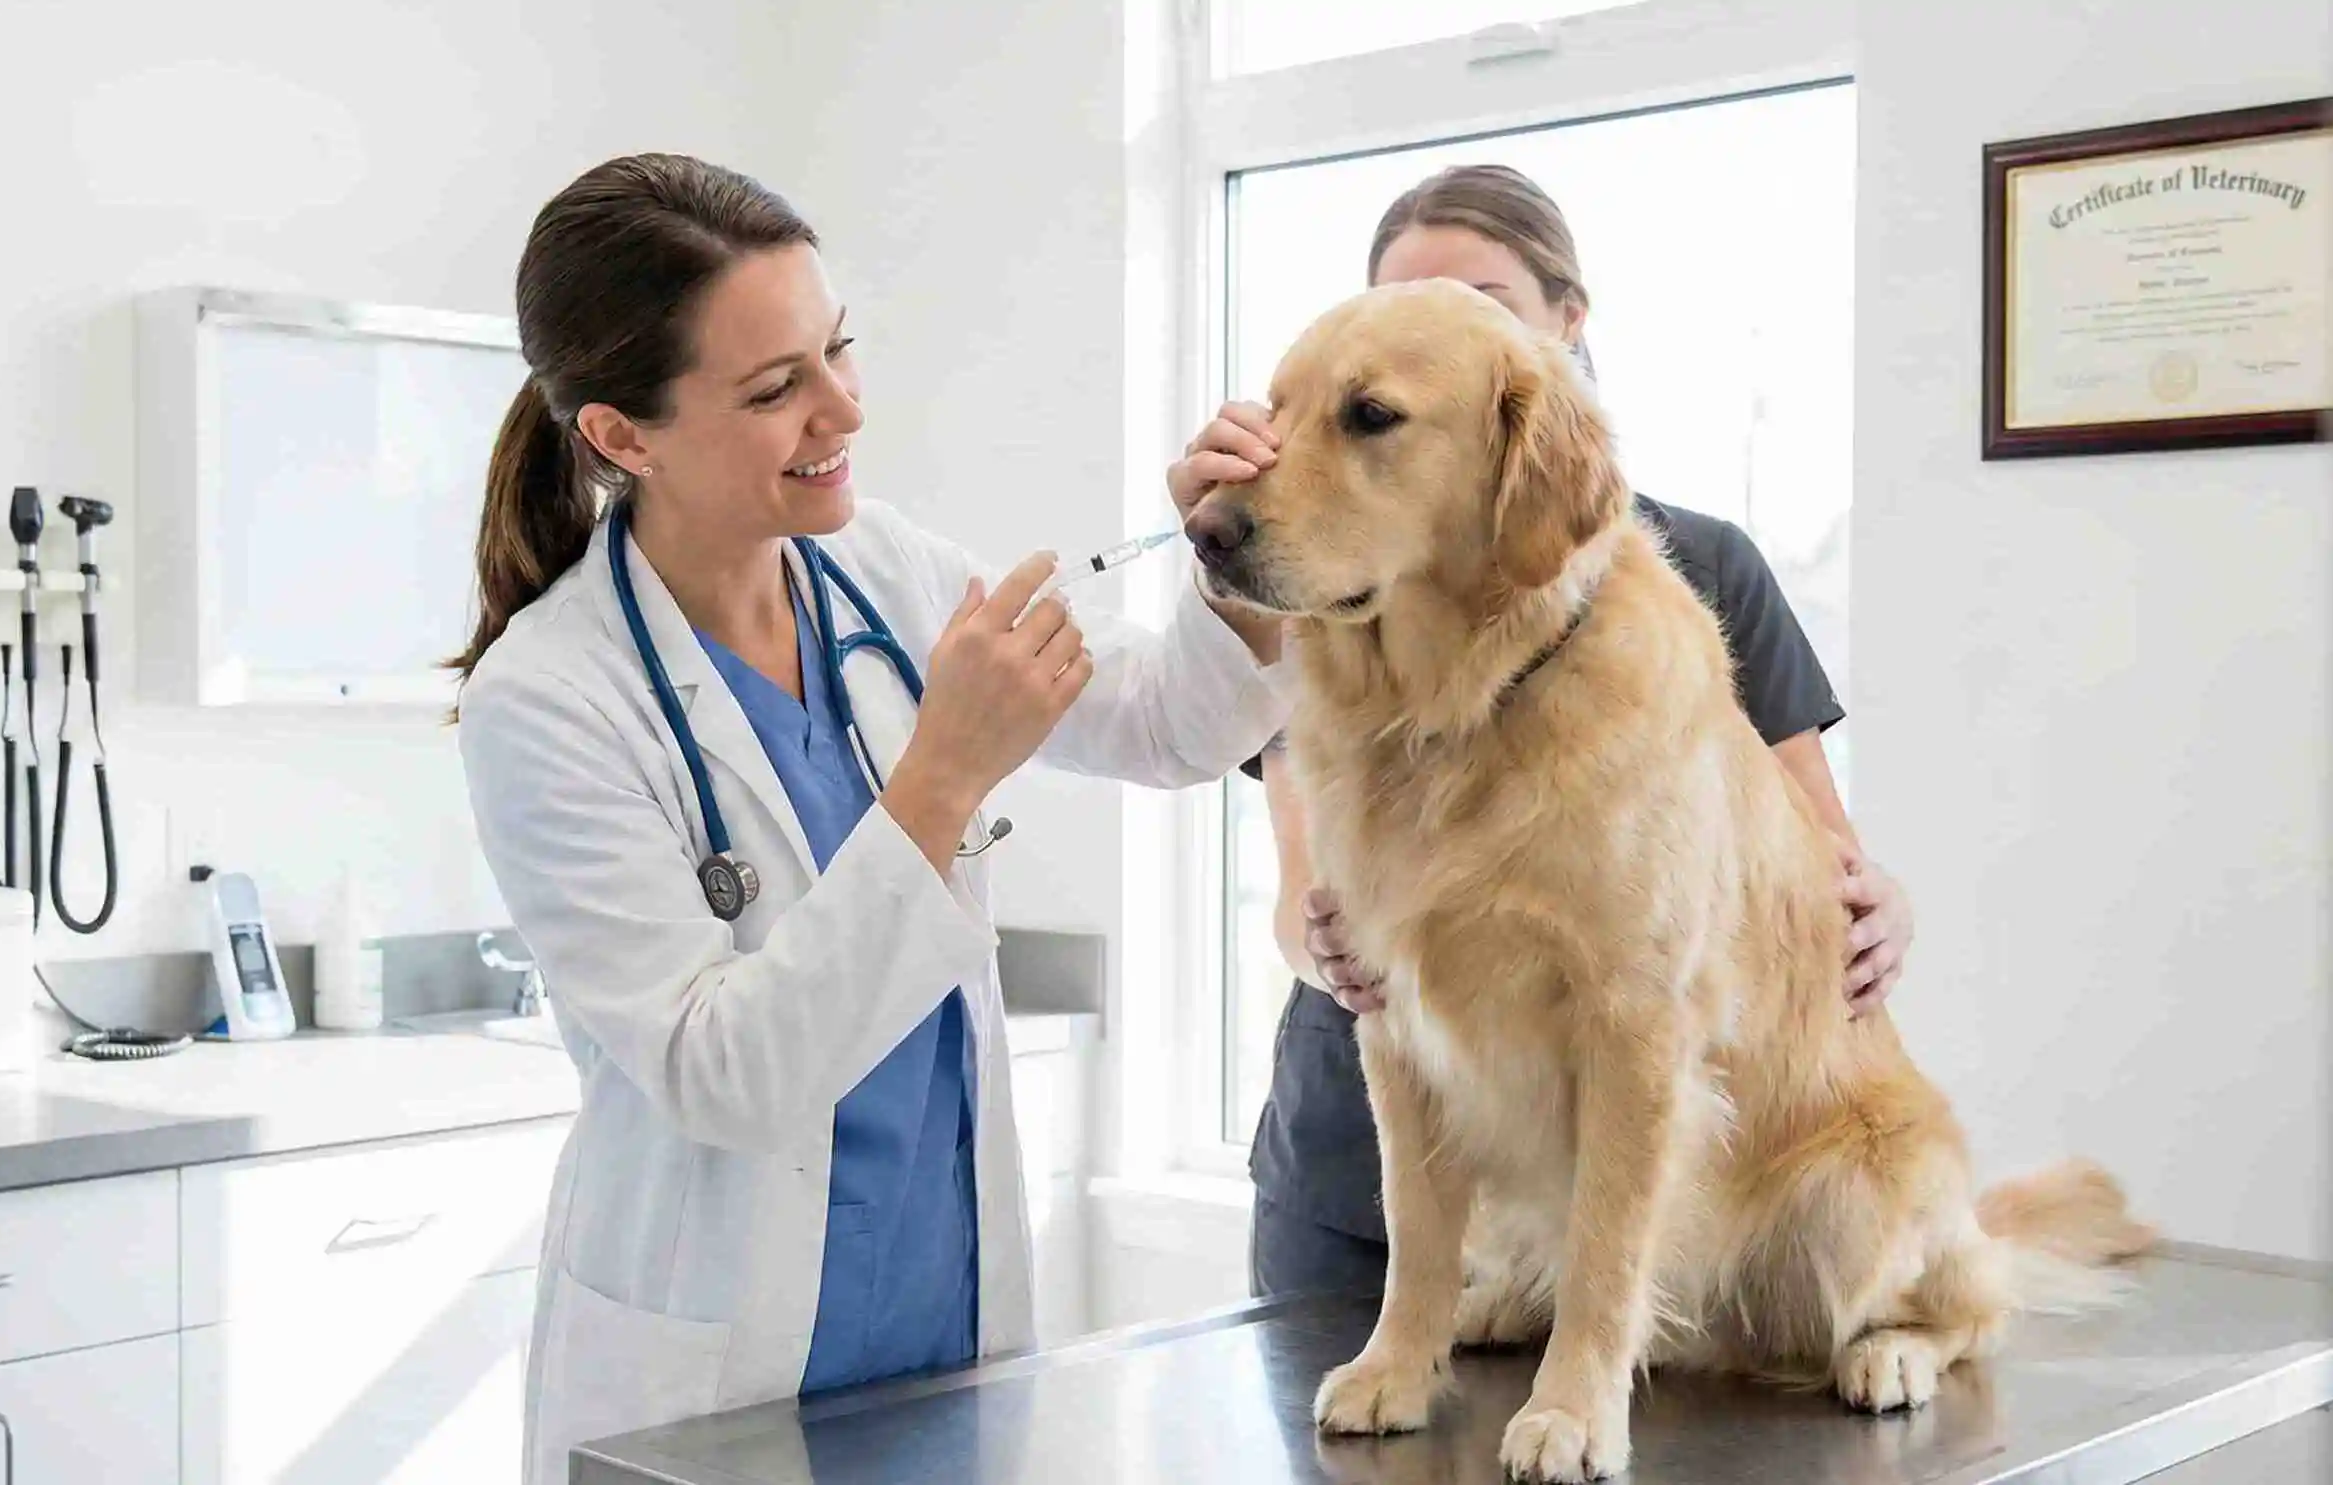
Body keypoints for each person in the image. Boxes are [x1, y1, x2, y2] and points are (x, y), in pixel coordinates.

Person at [452, 153, 1289, 1485]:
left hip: (940, 1331)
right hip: (714, 1382)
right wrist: (941, 776)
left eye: (837, 349)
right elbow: (723, 1075)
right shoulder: (550, 697)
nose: (842, 408)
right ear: (622, 435)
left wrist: (1233, 554)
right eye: (774, 388)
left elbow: (1167, 727)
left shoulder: (878, 569)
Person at [1166, 163, 1916, 1303]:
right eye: (1398, 301)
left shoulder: (1701, 569)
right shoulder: (1320, 591)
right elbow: (1298, 904)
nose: (1438, 320)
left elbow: (1803, 876)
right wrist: (1331, 950)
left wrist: (1880, 909)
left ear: (1565, 325)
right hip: (1355, 1171)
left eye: (1484, 301)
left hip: (1628, 1196)